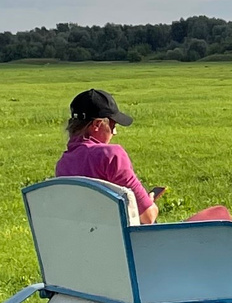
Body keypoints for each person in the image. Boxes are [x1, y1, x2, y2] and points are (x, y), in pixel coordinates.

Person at [55, 88, 162, 223]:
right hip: (121, 241)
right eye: (113, 125)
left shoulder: (63, 164)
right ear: (97, 125)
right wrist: (149, 202)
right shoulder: (111, 156)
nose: (115, 132)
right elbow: (147, 217)